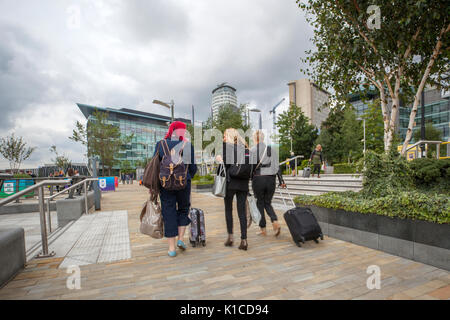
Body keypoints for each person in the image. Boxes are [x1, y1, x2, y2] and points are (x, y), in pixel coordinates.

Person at [154, 121, 197, 257]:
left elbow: (155, 167)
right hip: (183, 184)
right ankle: (180, 239)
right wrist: (186, 177)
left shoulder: (160, 145)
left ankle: (171, 248)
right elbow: (193, 168)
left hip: (165, 184)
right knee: (183, 209)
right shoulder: (187, 145)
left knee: (168, 212)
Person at [215, 128, 251, 251]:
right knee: (242, 212)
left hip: (230, 183)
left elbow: (225, 166)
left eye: (224, 135)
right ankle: (244, 240)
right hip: (243, 184)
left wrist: (220, 160)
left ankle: (230, 237)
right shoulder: (246, 149)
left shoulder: (227, 147)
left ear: (229, 136)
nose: (223, 138)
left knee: (228, 209)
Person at [250, 130, 286, 237]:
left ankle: (263, 229)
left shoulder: (252, 150)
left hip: (258, 179)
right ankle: (275, 221)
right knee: (267, 202)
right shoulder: (272, 150)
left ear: (255, 139)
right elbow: (277, 167)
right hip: (271, 180)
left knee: (260, 203)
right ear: (262, 138)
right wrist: (281, 181)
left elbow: (250, 167)